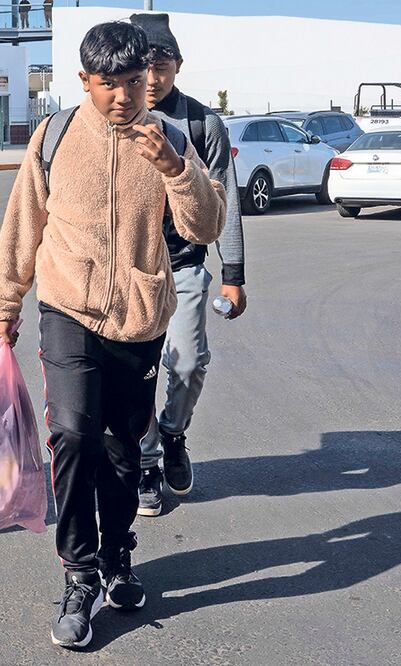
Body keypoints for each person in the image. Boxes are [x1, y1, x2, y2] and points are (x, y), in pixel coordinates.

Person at [0, 22, 225, 649]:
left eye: (133, 83)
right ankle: (79, 572)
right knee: (72, 433)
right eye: (108, 85)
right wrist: (4, 301)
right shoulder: (57, 134)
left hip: (141, 316)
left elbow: (204, 225)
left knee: (123, 448)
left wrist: (176, 169)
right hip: (67, 307)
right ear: (84, 82)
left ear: (150, 78)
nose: (122, 96)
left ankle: (119, 557)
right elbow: (23, 220)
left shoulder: (171, 137)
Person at [128, 13, 248, 518]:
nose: (152, 80)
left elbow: (229, 203)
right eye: (143, 68)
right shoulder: (113, 121)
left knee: (188, 362)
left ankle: (173, 434)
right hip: (127, 274)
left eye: (162, 66)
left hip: (183, 265)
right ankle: (147, 464)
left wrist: (234, 272)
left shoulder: (203, 123)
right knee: (136, 377)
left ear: (178, 66)